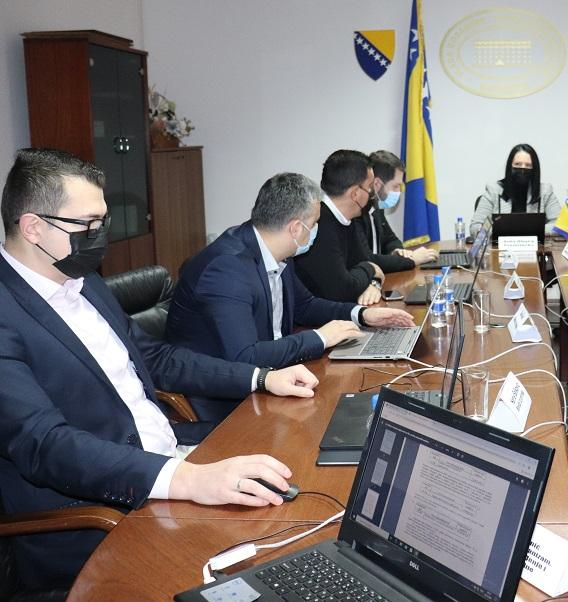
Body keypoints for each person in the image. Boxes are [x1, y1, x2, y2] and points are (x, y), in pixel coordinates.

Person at [0, 149, 317, 588]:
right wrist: (187, 479)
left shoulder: (84, 282)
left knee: (302, 484)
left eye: (103, 222)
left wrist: (261, 377)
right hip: (99, 513)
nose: (100, 237)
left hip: (170, 454)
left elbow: (157, 358)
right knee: (256, 572)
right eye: (88, 225)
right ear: (33, 227)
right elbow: (46, 444)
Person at [166, 172, 413, 423]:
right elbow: (245, 356)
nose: (316, 230)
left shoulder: (277, 249)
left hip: (275, 375)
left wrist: (362, 314)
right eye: (314, 223)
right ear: (296, 228)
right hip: (226, 401)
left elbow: (305, 305)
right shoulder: (227, 268)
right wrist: (320, 337)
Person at [294, 150, 387, 304]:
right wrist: (371, 270)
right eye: (370, 187)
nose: (372, 193)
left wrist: (374, 283)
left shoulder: (349, 218)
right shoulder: (319, 224)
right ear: (355, 194)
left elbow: (363, 262)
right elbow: (343, 289)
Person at [361, 150, 438, 273]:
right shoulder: (357, 213)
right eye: (395, 186)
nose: (399, 192)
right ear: (377, 184)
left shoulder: (377, 208)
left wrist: (397, 251)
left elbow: (391, 239)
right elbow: (368, 260)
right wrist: (411, 259)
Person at [469, 143, 561, 236]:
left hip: (535, 245)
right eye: (517, 164)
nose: (522, 168)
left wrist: (525, 230)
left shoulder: (545, 191)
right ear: (510, 166)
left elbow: (560, 226)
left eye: (528, 165)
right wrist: (508, 230)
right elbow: (475, 227)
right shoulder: (494, 190)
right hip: (500, 245)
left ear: (535, 169)